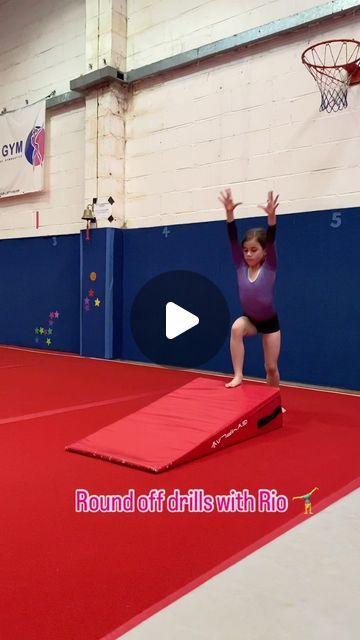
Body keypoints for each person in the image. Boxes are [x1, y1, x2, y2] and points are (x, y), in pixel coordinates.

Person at [219, 188, 280, 388]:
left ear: (264, 253)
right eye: (246, 250)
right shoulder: (240, 266)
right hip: (251, 320)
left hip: (270, 323)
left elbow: (271, 241)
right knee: (236, 327)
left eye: (254, 250)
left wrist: (271, 219)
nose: (248, 254)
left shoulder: (269, 267)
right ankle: (238, 375)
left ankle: (274, 403)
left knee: (270, 366)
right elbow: (231, 240)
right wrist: (230, 215)